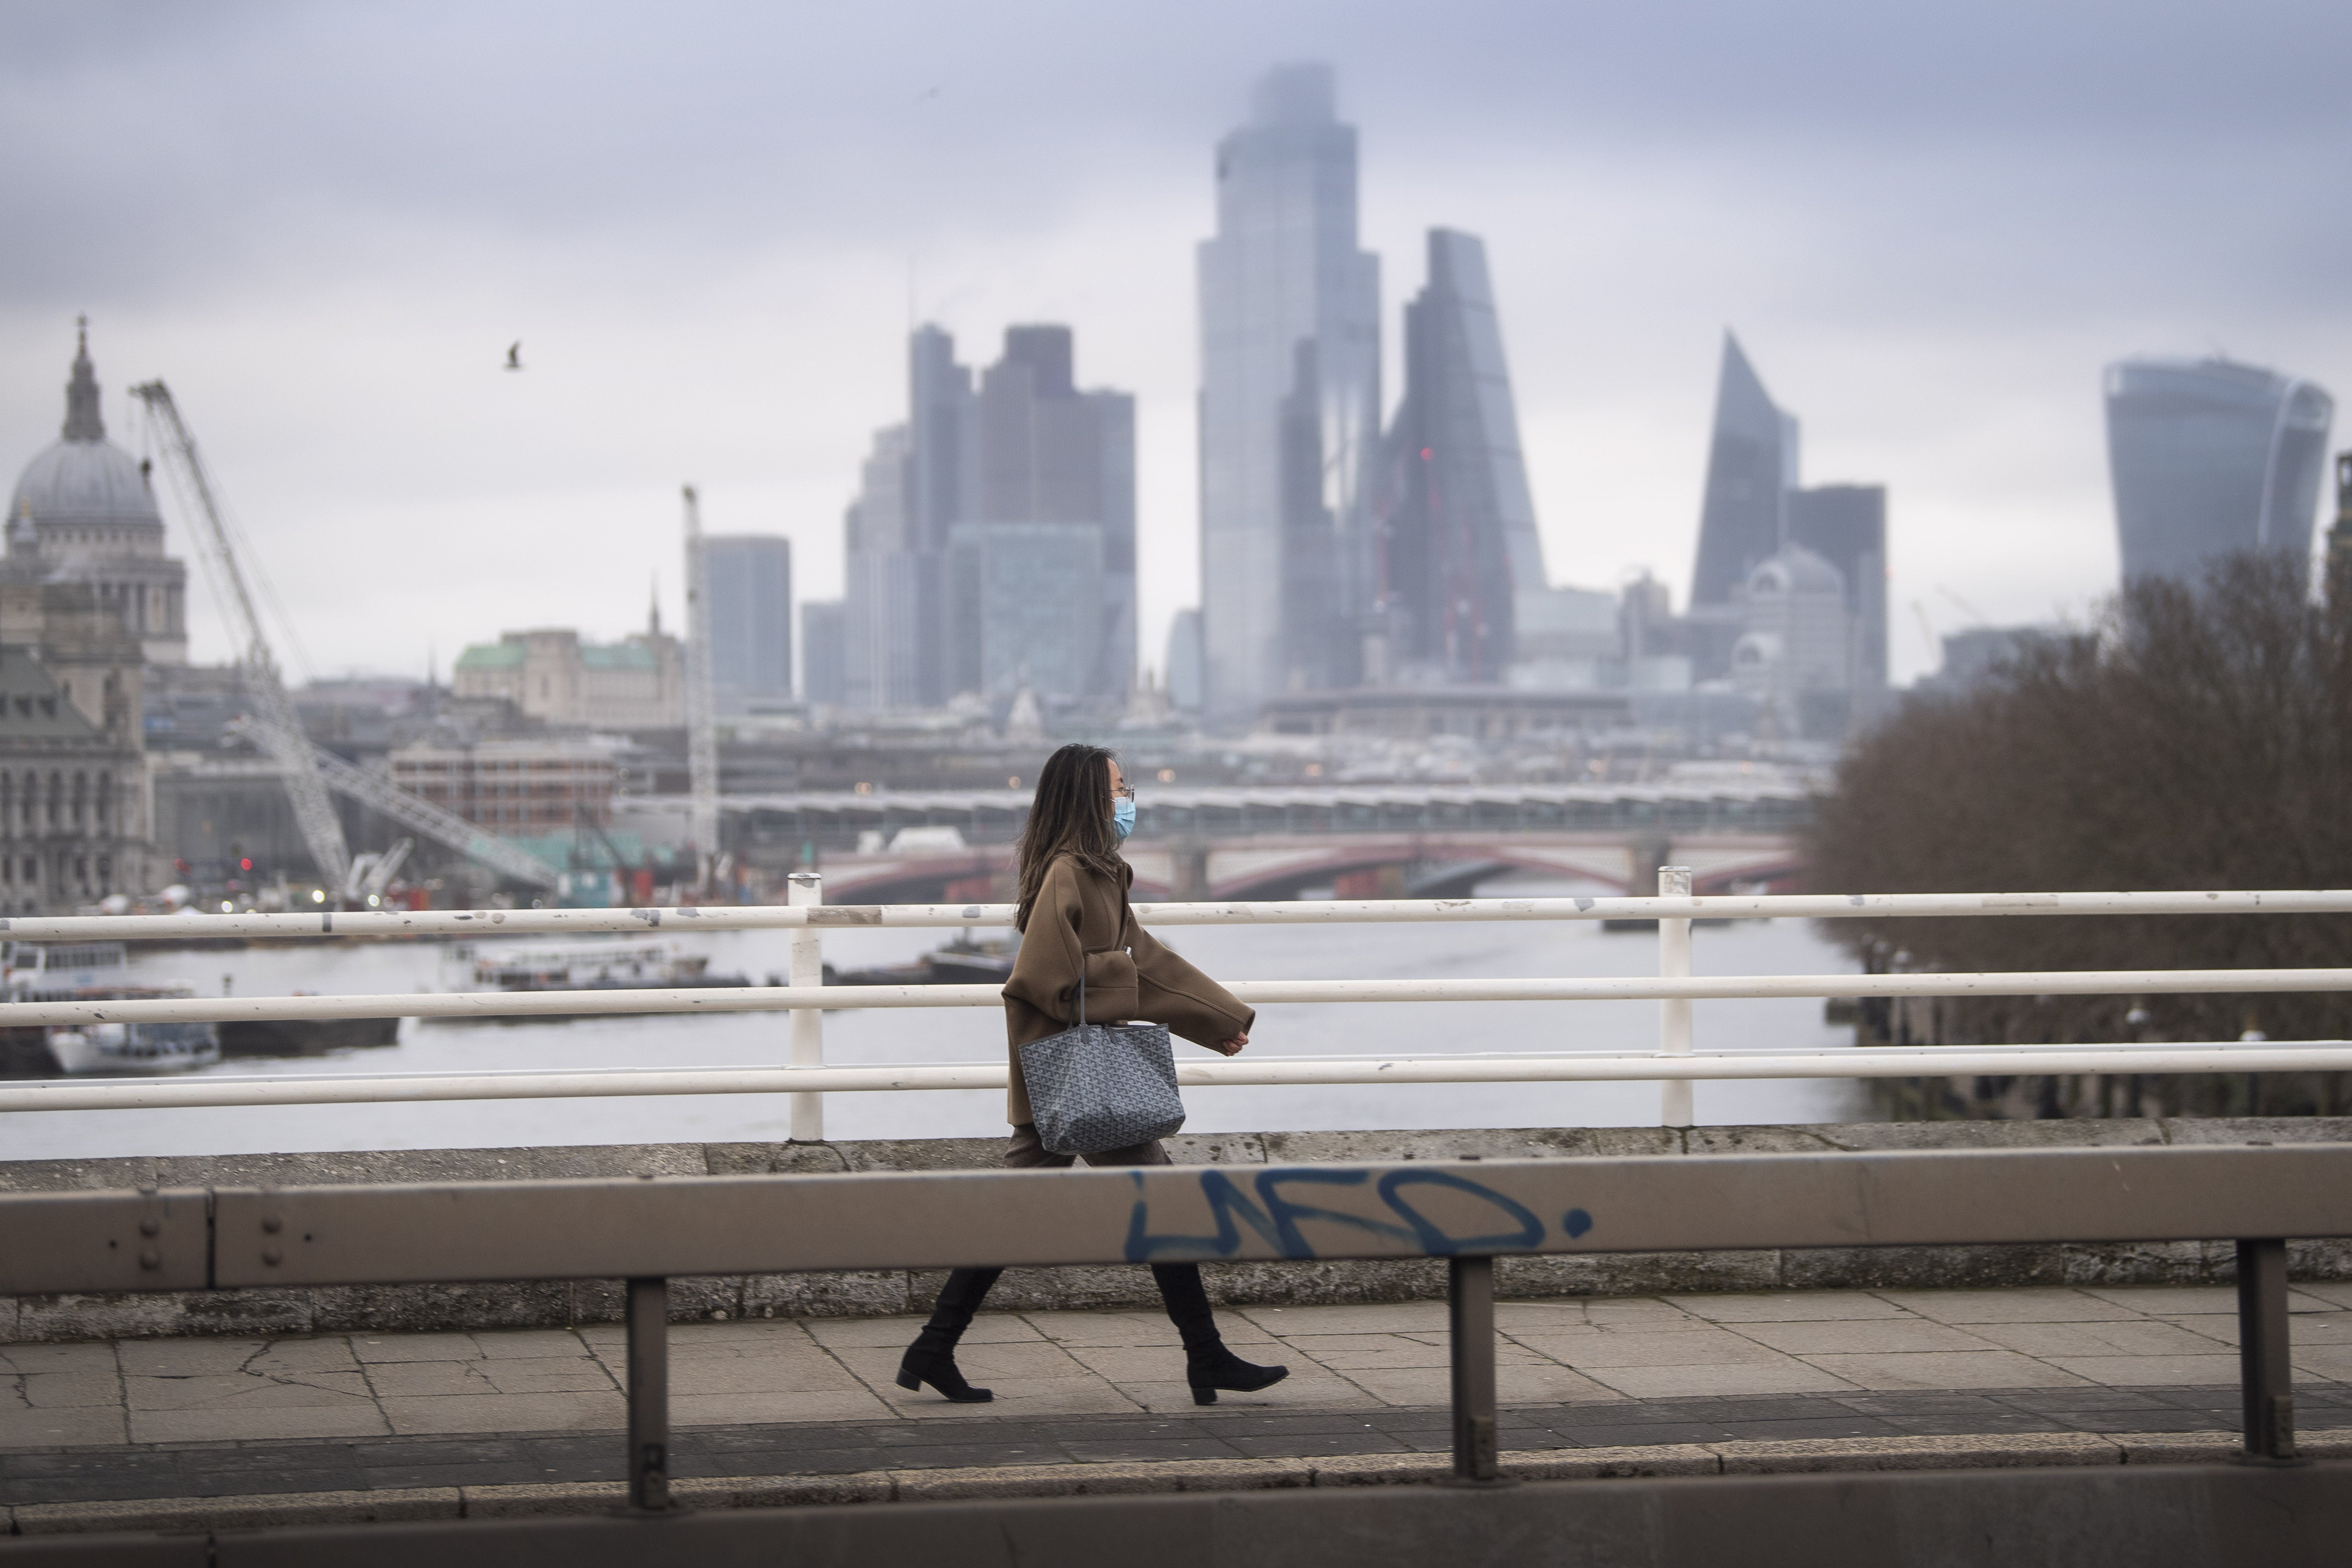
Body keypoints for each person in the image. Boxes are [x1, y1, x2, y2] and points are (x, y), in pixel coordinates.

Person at [897, 742, 1289, 1407]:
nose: (1126, 797)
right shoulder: (1067, 875)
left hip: (1080, 1081)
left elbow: (1149, 963)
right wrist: (1119, 974)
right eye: (1116, 788)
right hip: (1074, 1081)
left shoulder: (1104, 873)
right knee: (1158, 1204)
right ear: (1086, 797)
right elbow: (1043, 980)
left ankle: (933, 1348)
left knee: (1014, 1216)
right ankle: (1206, 1355)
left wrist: (1221, 1019)